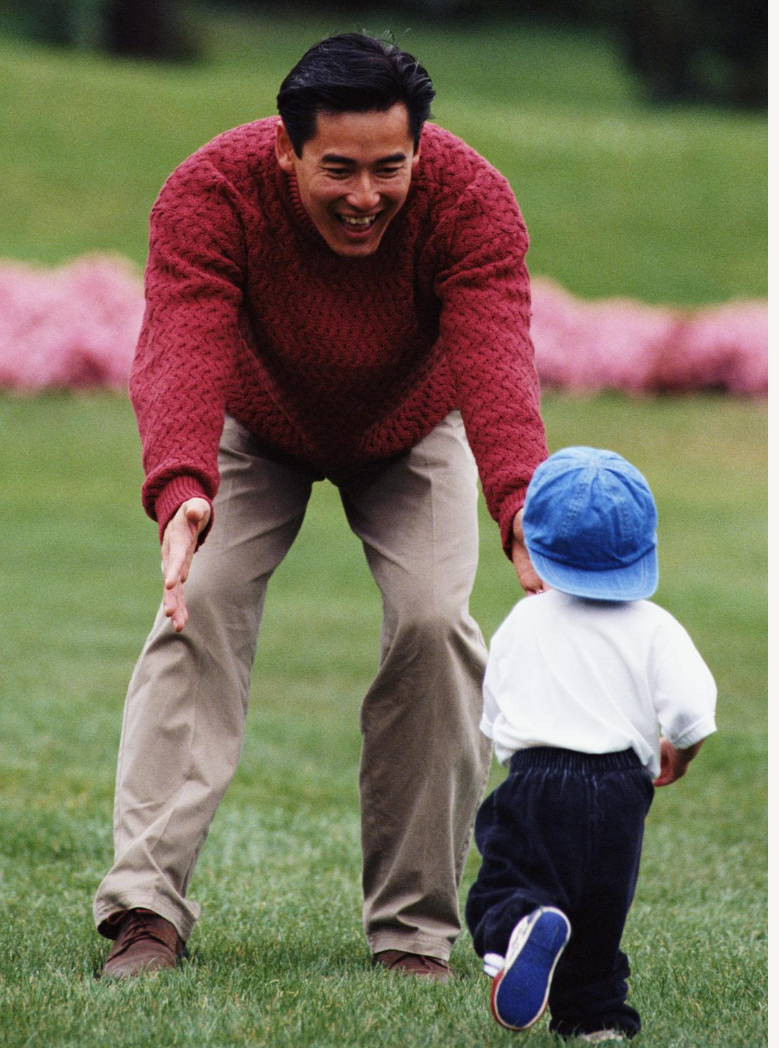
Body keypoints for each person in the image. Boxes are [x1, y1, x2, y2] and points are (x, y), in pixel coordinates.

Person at [93, 32, 548, 980]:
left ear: (419, 150)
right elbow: (181, 337)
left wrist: (519, 507)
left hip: (413, 425)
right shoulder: (212, 191)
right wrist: (181, 489)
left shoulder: (470, 200)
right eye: (337, 169)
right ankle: (145, 912)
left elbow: (497, 358)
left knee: (434, 623)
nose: (365, 195)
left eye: (390, 168)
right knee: (198, 602)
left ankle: (412, 933)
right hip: (254, 424)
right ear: (286, 151)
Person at [465, 446, 717, 1040]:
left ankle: (522, 929)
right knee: (601, 913)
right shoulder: (655, 626)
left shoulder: (524, 621)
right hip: (621, 790)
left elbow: (496, 707)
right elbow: (691, 712)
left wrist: (511, 755)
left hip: (537, 779)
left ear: (541, 543)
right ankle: (596, 1019)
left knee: (506, 884)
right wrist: (677, 753)